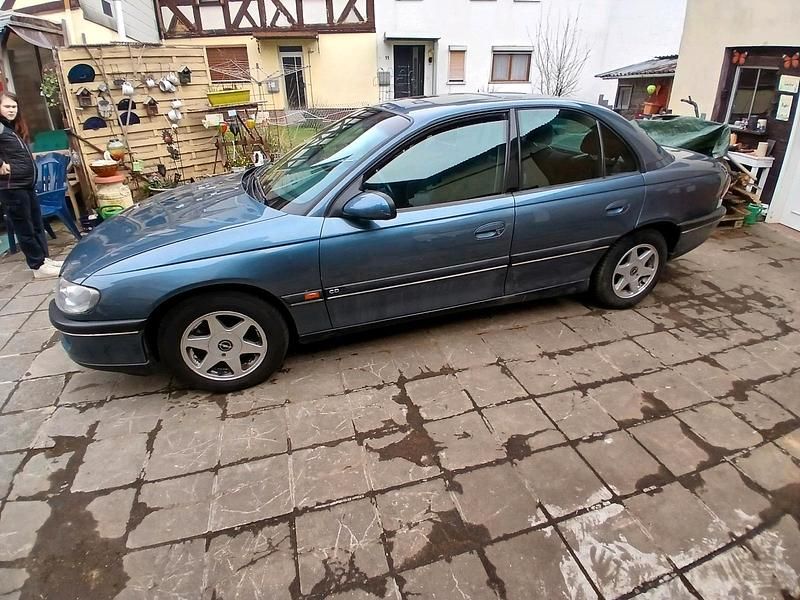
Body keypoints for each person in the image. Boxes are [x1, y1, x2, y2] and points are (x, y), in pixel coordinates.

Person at [0, 92, 62, 278]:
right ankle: (37, 266)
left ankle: (43, 259)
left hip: (25, 183)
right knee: (25, 227)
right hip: (12, 187)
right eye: (7, 106)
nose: (12, 110)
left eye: (14, 107)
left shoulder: (9, 128)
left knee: (36, 223)